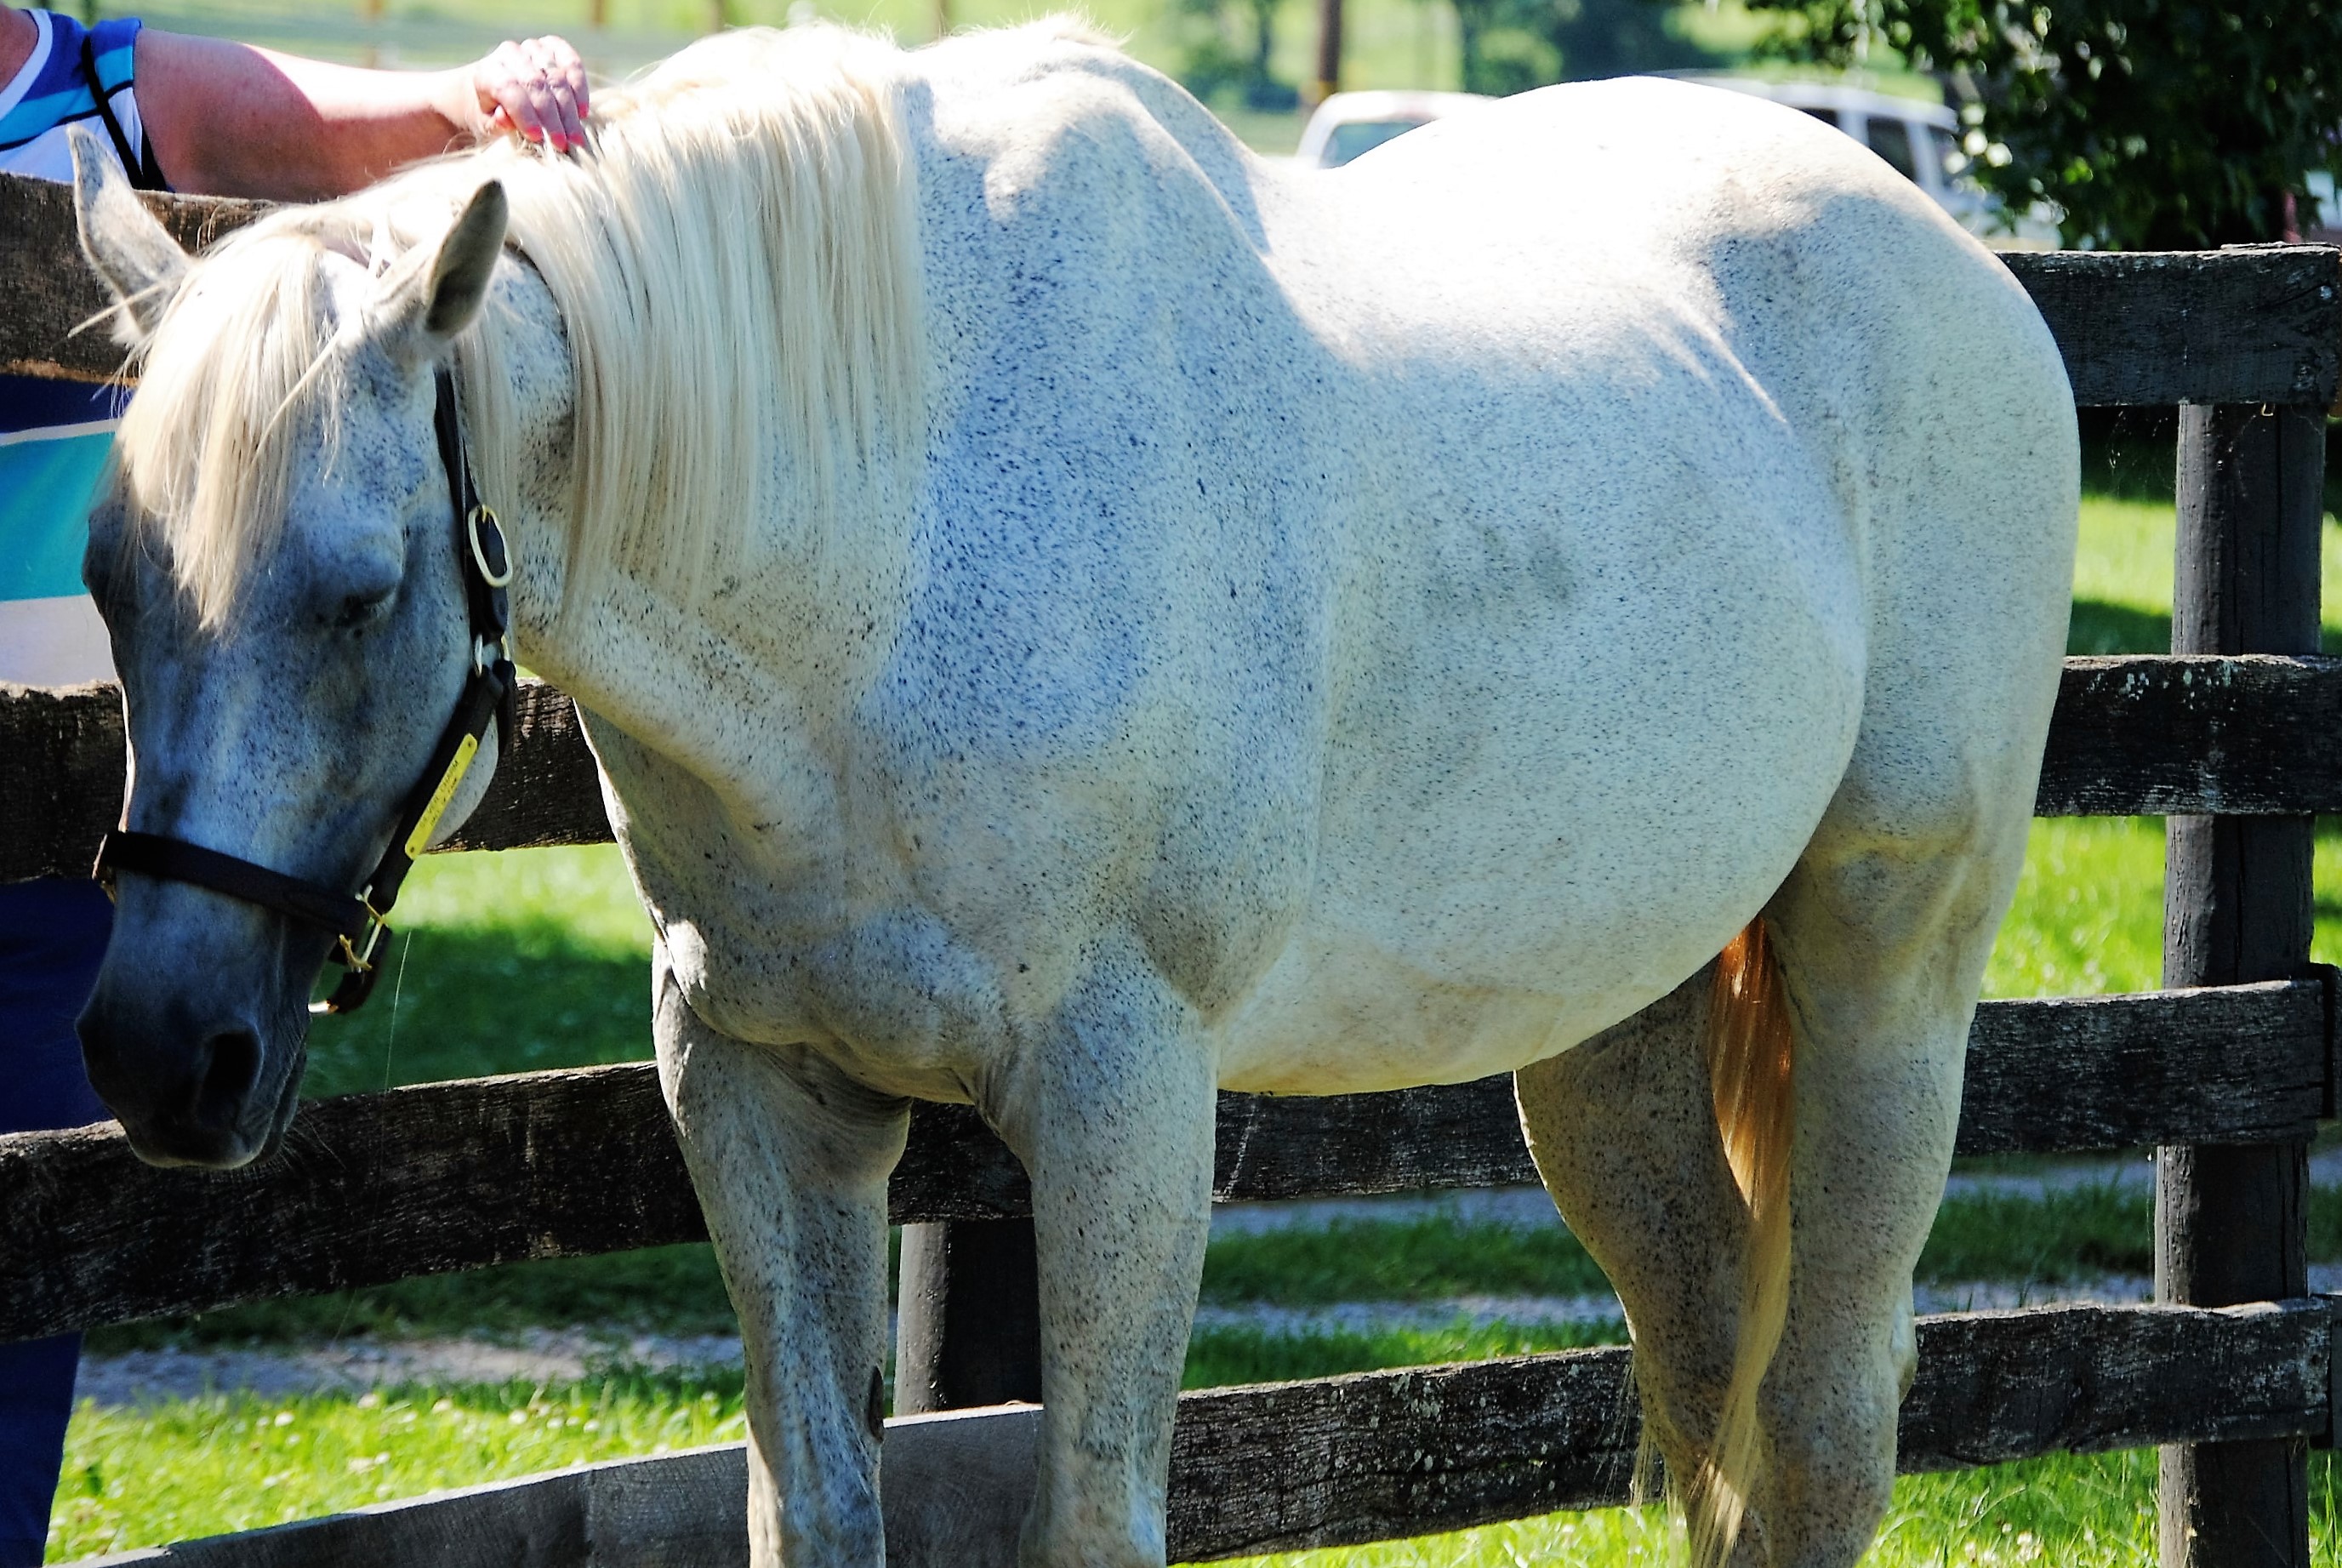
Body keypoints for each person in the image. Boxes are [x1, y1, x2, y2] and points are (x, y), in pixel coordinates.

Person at [0, 10, 589, 1560]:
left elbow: (389, 123)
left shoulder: (111, 86)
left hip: (65, 844)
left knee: (15, 1299)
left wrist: (490, 92)